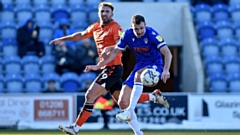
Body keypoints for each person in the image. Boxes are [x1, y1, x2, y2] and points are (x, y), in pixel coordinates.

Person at [49, 2, 167, 135]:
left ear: (112, 14)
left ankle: (75, 128)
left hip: (113, 68)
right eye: (102, 11)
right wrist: (63, 39)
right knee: (124, 103)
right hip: (106, 67)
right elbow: (81, 35)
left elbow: (121, 44)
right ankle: (151, 102)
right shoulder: (95, 27)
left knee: (90, 95)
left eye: (107, 11)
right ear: (99, 13)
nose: (104, 14)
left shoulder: (115, 27)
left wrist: (109, 50)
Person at [85, 14, 172, 135]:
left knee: (138, 76)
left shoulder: (151, 34)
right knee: (122, 102)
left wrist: (166, 70)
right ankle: (139, 132)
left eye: (141, 28)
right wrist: (99, 65)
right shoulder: (128, 35)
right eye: (136, 29)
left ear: (145, 25)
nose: (139, 31)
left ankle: (130, 111)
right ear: (132, 27)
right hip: (139, 66)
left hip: (155, 65)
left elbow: (167, 53)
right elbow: (116, 51)